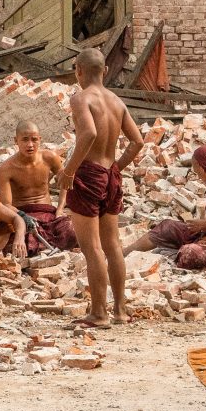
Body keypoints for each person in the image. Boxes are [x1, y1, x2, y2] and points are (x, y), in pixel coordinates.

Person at [60, 45, 144, 327]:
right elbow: (138, 142)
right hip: (110, 174)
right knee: (113, 245)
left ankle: (98, 313)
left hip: (88, 172)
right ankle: (120, 310)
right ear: (105, 71)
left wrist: (69, 171)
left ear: (78, 71)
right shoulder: (117, 101)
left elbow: (88, 133)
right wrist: (117, 167)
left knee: (92, 247)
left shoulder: (80, 98)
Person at [0, 123, 76, 255]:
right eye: (25, 139)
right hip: (23, 215)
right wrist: (23, 217)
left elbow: (66, 180)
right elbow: (5, 204)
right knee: (26, 243)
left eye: (34, 139)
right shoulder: (5, 169)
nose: (30, 145)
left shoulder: (49, 157)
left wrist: (60, 209)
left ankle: (50, 249)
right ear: (15, 141)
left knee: (72, 232)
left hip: (49, 214)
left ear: (40, 139)